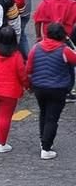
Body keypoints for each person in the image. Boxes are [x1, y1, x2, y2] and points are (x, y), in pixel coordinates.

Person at [26, 22, 76, 160]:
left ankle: (43, 140)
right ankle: (46, 148)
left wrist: (29, 87)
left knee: (44, 113)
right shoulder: (64, 50)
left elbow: (29, 69)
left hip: (39, 87)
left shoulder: (36, 48)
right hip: (58, 88)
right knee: (52, 118)